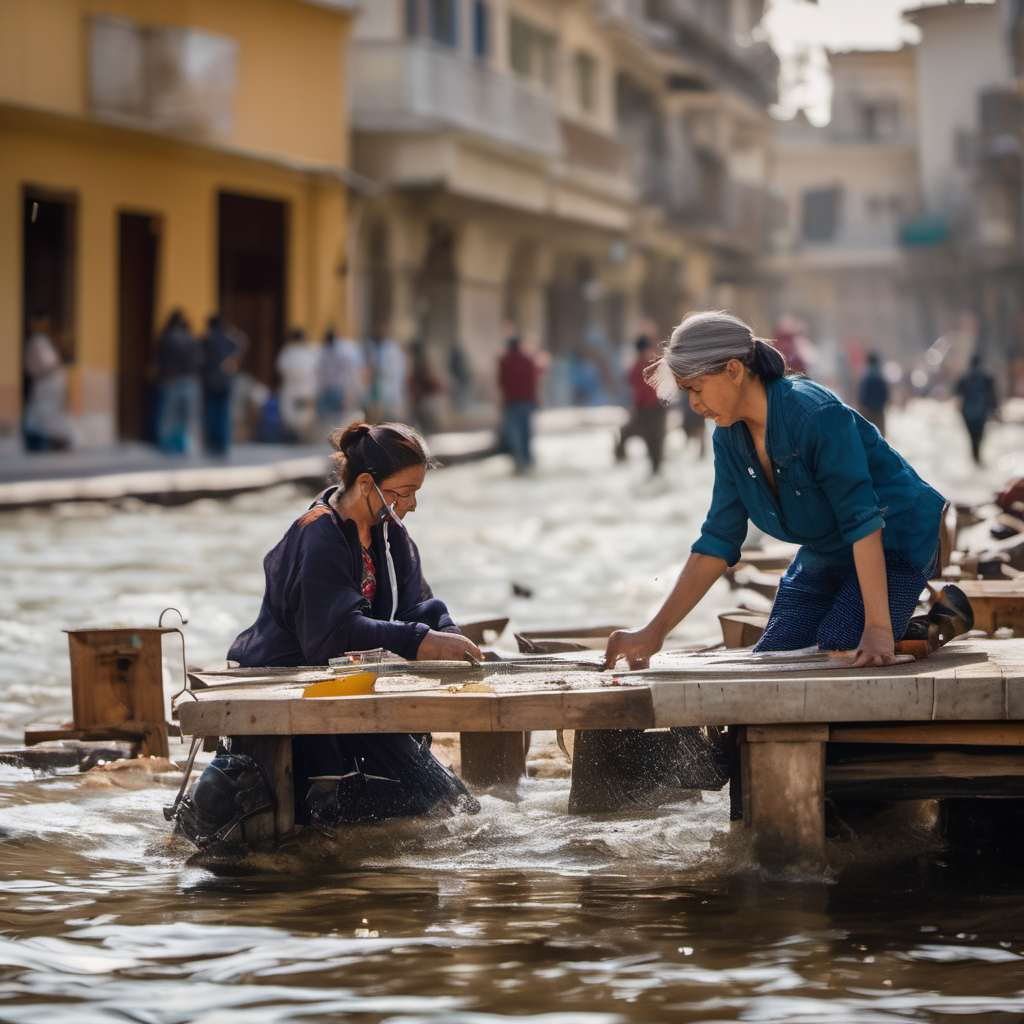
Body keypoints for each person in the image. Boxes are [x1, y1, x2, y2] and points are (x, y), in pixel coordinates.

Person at [604, 310, 947, 672]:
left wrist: (878, 629)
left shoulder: (816, 415)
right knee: (775, 657)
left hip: (896, 540)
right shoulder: (727, 435)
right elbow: (719, 537)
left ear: (734, 370)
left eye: (697, 389)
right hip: (827, 549)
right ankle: (889, 615)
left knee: (840, 649)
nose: (693, 405)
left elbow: (862, 520)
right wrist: (653, 633)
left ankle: (930, 620)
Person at [225, 421, 482, 829]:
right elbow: (332, 635)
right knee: (442, 810)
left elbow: (416, 604)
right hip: (297, 687)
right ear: (366, 484)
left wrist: (446, 634)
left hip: (353, 686)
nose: (412, 504)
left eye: (416, 492)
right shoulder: (317, 534)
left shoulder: (390, 533)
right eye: (404, 492)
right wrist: (418, 641)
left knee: (454, 808)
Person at [614, 334, 668, 475]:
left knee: (625, 433)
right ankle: (656, 477)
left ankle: (620, 460)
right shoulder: (652, 363)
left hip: (645, 410)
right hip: (655, 410)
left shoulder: (635, 366)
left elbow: (634, 390)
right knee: (655, 449)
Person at [23, 310, 73, 451]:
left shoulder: (44, 341)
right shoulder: (36, 342)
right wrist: (56, 364)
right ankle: (46, 442)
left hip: (52, 388)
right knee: (42, 417)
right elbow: (38, 366)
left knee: (52, 416)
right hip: (44, 387)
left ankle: (56, 441)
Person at [155, 309, 201, 454]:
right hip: (188, 380)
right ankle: (186, 446)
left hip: (172, 380)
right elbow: (199, 359)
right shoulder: (191, 338)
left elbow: (160, 359)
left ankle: (169, 447)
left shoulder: (166, 337)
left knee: (169, 417)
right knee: (186, 417)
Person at [200, 313, 245, 455]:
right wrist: (233, 362)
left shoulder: (207, 340)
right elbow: (242, 344)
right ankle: (223, 445)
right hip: (226, 381)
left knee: (211, 413)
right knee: (224, 414)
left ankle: (212, 444)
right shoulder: (228, 339)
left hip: (210, 381)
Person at [498, 333, 539, 474]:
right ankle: (529, 463)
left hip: (513, 403)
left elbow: (502, 383)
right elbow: (533, 382)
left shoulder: (504, 361)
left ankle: (520, 465)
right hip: (527, 402)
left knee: (515, 436)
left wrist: (502, 403)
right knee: (527, 435)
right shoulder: (528, 360)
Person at [276, 327, 320, 442]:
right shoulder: (307, 352)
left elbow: (282, 369)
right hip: (303, 388)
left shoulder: (289, 352)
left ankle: (296, 438)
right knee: (300, 415)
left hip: (293, 389)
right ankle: (298, 438)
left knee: (295, 415)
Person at [956, 354, 998, 465]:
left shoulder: (964, 377)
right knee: (980, 436)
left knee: (972, 439)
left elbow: (957, 395)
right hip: (981, 412)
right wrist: (996, 410)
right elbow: (993, 395)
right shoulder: (987, 377)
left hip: (967, 413)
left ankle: (975, 459)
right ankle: (978, 459)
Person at [857, 352, 889, 437]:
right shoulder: (880, 375)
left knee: (868, 435)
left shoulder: (867, 376)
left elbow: (863, 394)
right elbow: (885, 393)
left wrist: (862, 407)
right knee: (880, 436)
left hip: (868, 411)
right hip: (879, 410)